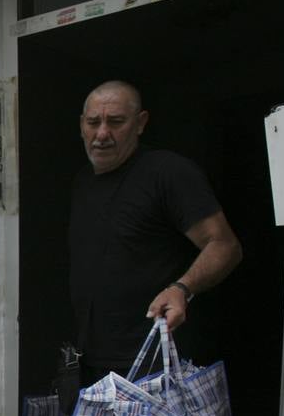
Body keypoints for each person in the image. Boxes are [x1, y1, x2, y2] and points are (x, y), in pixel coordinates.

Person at [69, 80, 242, 385]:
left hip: (156, 364)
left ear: (141, 123)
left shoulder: (168, 173)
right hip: (92, 361)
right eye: (93, 122)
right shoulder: (82, 182)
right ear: (82, 125)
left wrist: (182, 288)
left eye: (116, 122)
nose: (102, 134)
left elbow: (224, 245)